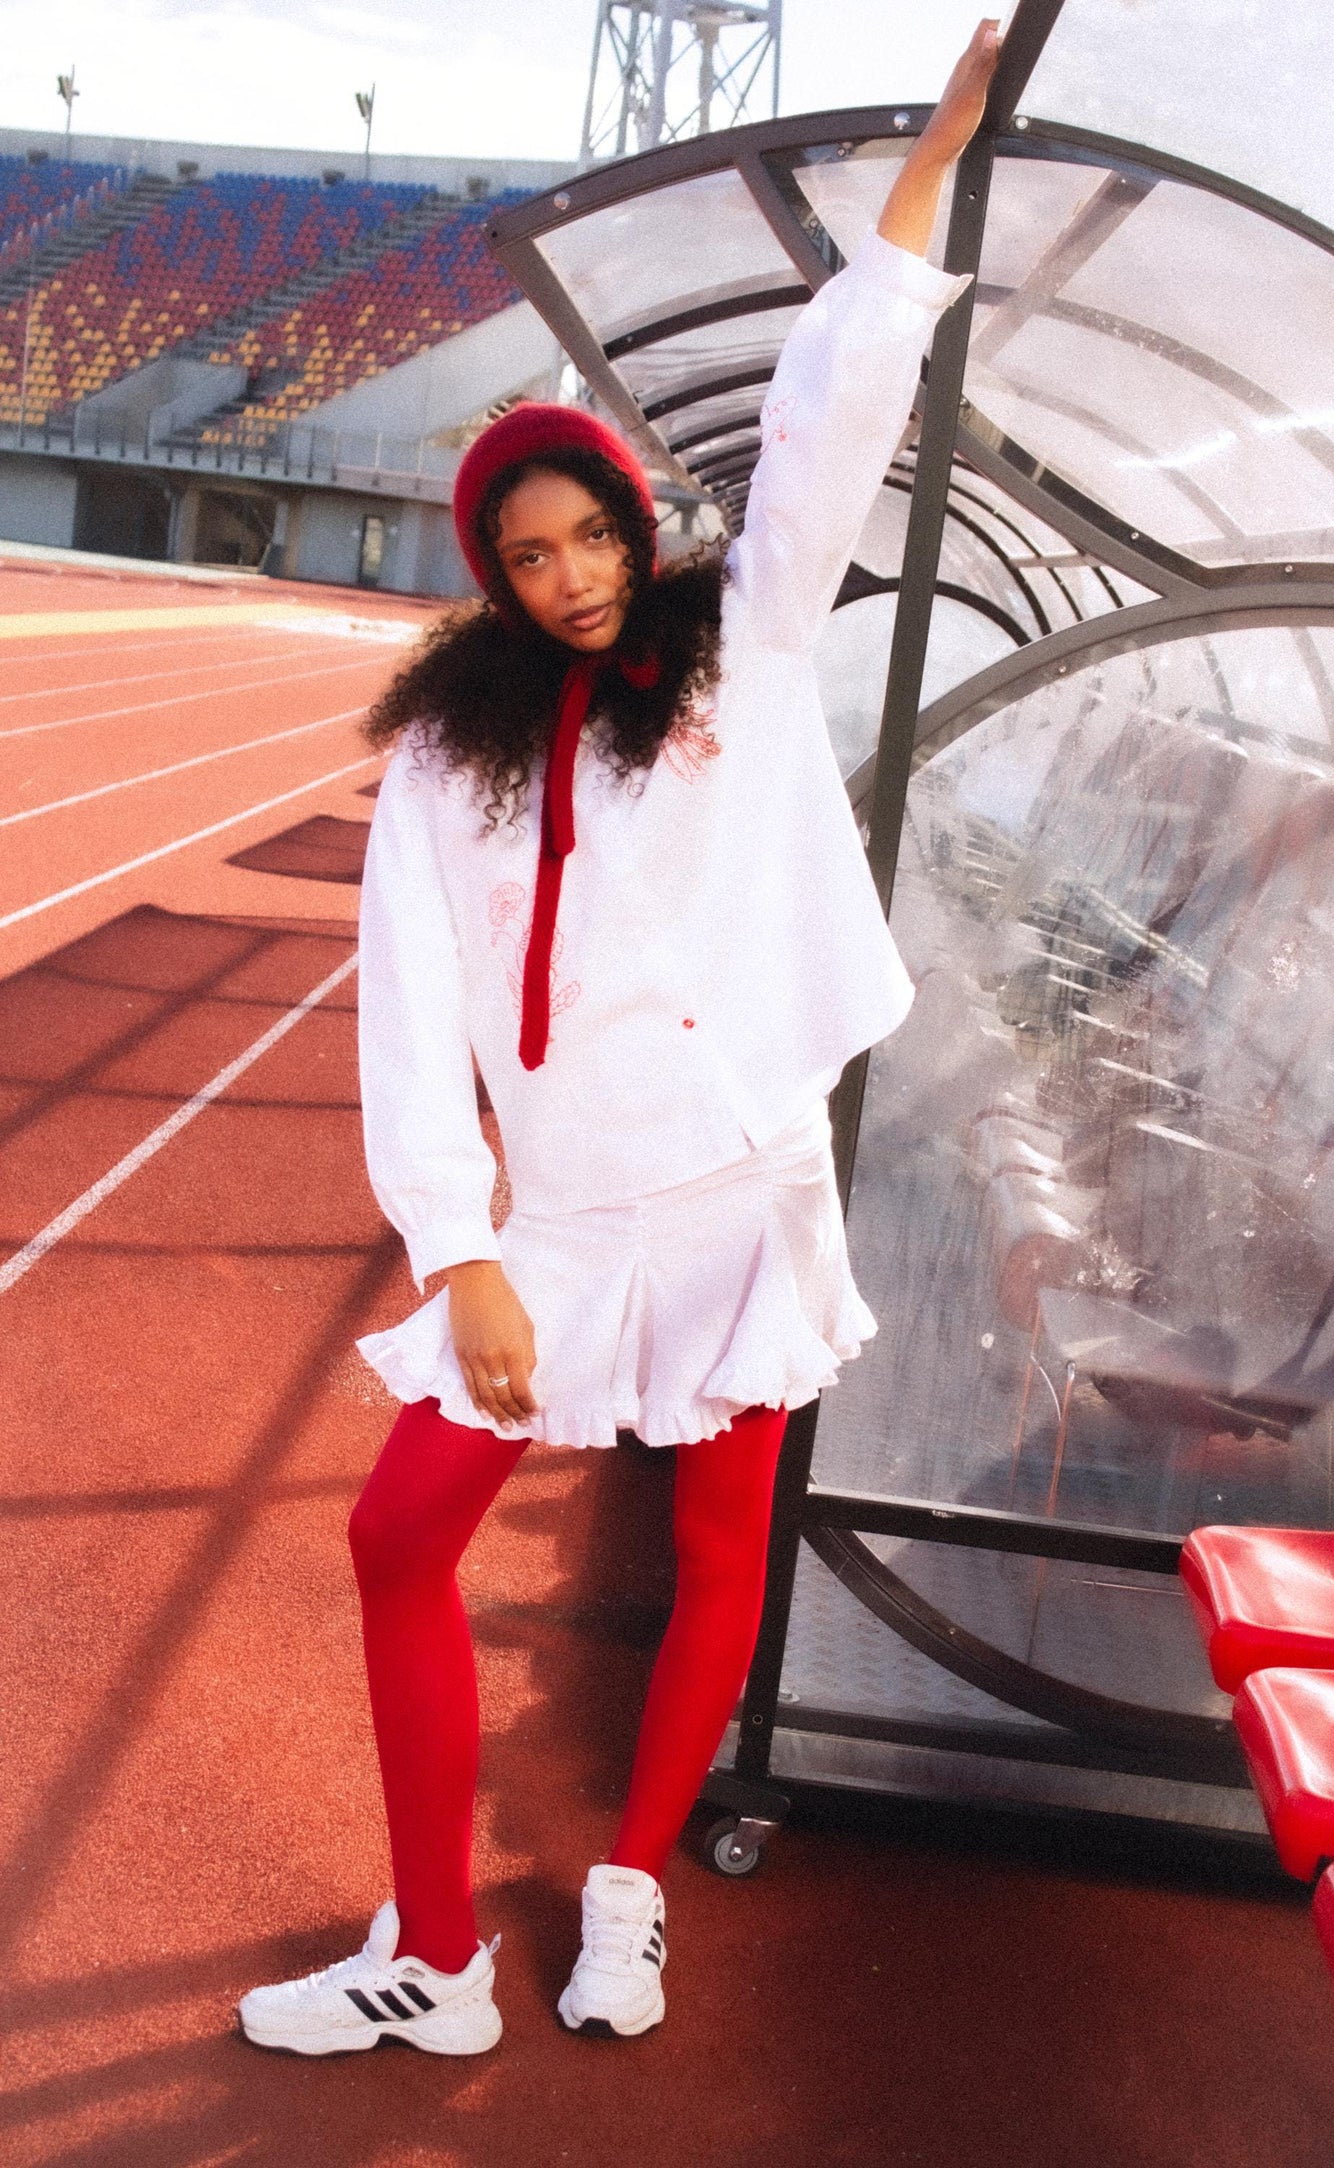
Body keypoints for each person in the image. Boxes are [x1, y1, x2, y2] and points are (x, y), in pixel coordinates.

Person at [238, 18, 1000, 2060]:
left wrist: (935, 153)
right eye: (529, 554)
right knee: (395, 1530)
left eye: (591, 535)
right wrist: (460, 1245)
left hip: (743, 1179)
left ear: (632, 522)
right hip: (561, 1214)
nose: (573, 579)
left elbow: (844, 396)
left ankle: (636, 1879)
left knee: (730, 1537)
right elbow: (408, 998)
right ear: (487, 575)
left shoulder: (738, 642)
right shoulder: (443, 765)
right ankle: (431, 1948)